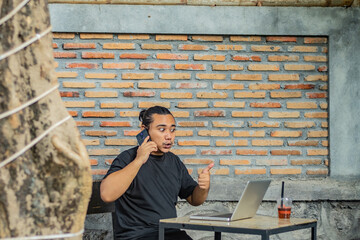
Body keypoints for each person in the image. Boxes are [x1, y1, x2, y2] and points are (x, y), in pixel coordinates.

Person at [100, 106, 214, 240]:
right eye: (162, 129)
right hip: (137, 236)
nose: (169, 136)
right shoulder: (127, 158)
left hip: (170, 233)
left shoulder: (174, 161)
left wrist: (203, 188)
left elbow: (194, 199)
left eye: (172, 130)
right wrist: (139, 160)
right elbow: (106, 195)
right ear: (144, 130)